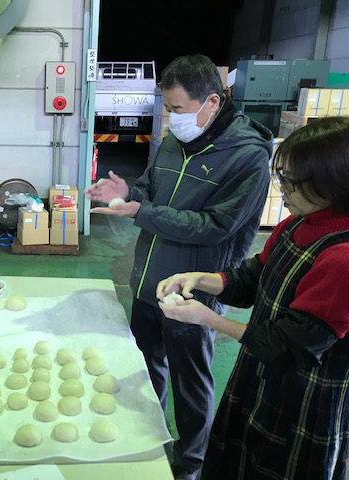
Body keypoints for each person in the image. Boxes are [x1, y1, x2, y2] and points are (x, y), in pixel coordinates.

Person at [84, 54, 273, 479]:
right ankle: (147, 441)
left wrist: (140, 211)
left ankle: (191, 463)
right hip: (149, 278)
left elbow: (216, 227)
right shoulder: (174, 141)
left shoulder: (247, 158)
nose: (170, 119)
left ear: (211, 101)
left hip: (191, 290)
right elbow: (150, 188)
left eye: (177, 110)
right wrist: (127, 190)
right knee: (145, 365)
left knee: (191, 382)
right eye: (166, 109)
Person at [157, 115, 349, 479]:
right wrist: (200, 278)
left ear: (334, 181)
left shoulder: (342, 259)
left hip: (304, 395)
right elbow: (251, 280)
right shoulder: (293, 225)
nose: (284, 190)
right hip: (260, 373)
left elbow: (290, 346)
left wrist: (208, 319)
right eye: (283, 178)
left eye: (293, 181)